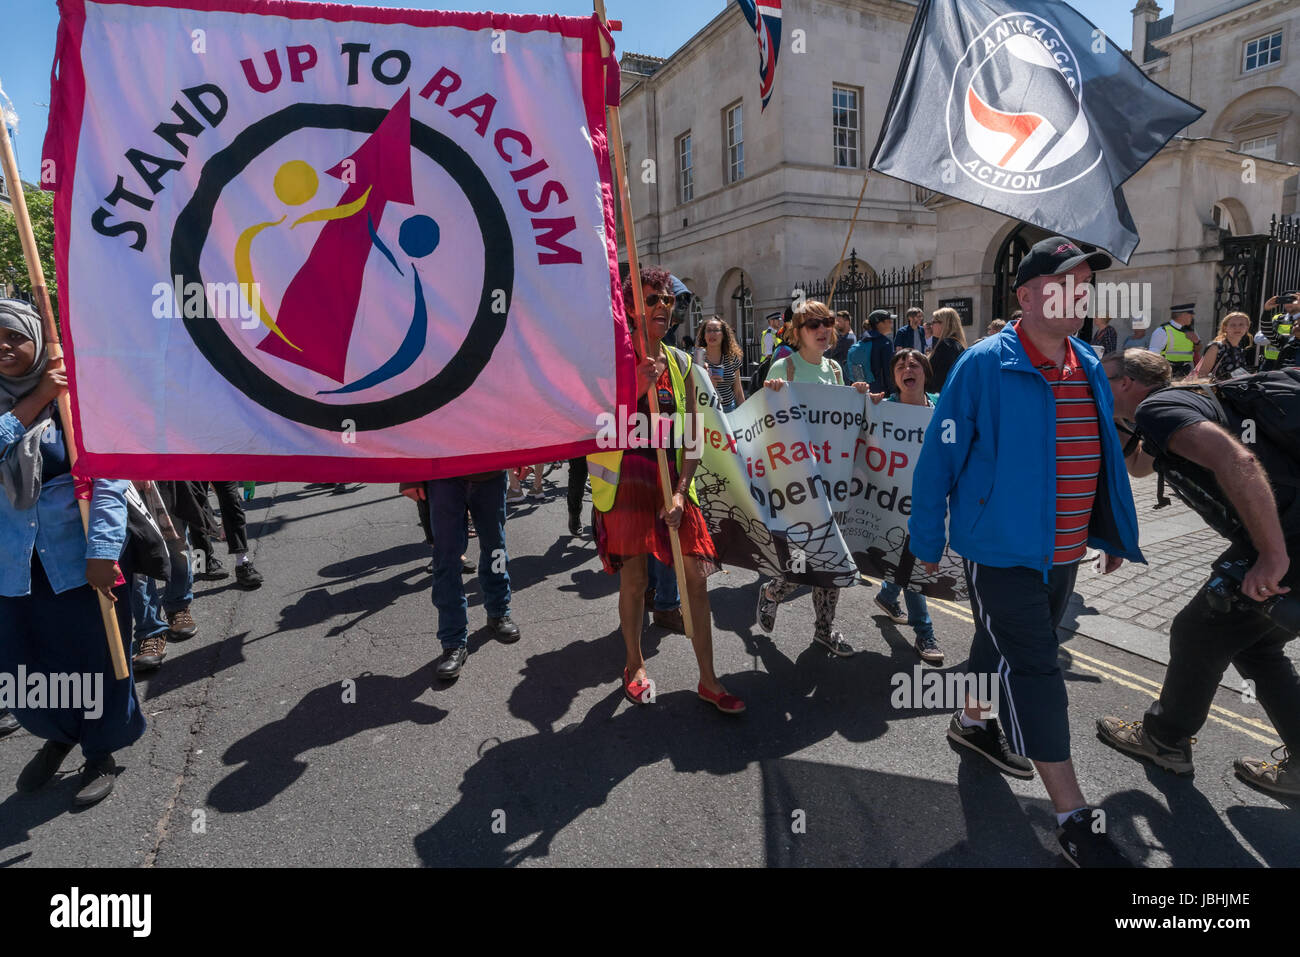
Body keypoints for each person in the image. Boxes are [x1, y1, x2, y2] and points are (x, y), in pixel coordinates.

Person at [909, 237, 1144, 867]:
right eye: (1064, 282)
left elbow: (1097, 457)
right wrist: (927, 544)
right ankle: (1072, 815)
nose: (1079, 294)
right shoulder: (983, 365)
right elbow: (939, 458)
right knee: (1039, 669)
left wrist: (1111, 530)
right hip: (1000, 550)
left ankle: (973, 720)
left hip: (1063, 550)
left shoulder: (1089, 362)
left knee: (996, 641)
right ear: (1026, 295)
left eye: (1086, 285)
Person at [1097, 349, 1299, 799]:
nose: (1093, 382)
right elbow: (1139, 465)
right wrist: (1110, 420)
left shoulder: (1160, 408)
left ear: (1125, 381)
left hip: (1287, 543)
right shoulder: (1169, 411)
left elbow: (1238, 461)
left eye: (1100, 376)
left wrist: (1270, 554)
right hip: (1288, 535)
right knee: (1258, 648)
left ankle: (1164, 739)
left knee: (1198, 630)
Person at [0, 298, 143, 806]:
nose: (4, 345)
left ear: (37, 339)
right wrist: (35, 399)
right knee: (27, 663)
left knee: (96, 655)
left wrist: (104, 549)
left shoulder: (77, 397)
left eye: (14, 334)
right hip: (13, 565)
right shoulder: (40, 395)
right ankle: (60, 733)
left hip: (79, 555)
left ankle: (100, 751)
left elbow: (108, 475)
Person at [587, 265, 744, 713]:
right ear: (631, 306)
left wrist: (679, 491)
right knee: (635, 581)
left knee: (695, 577)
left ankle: (709, 680)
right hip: (627, 483)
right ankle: (634, 665)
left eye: (668, 300)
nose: (662, 306)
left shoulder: (681, 363)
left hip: (671, 484)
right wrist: (634, 386)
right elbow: (593, 432)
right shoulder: (611, 361)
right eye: (652, 299)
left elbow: (692, 437)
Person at [755, 300, 873, 657]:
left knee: (830, 557)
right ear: (797, 332)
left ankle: (825, 629)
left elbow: (845, 422)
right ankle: (774, 590)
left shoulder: (835, 370)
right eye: (813, 325)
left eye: (827, 322)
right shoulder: (784, 368)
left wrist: (864, 399)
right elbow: (764, 423)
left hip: (832, 479)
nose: (822, 330)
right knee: (807, 557)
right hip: (797, 479)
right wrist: (770, 395)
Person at [402, 469, 519, 680]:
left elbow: (512, 432)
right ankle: (453, 642)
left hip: (490, 470)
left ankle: (499, 611)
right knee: (445, 560)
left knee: (496, 550)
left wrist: (522, 455)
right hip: (442, 475)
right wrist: (409, 475)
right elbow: (408, 434)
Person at [870, 349, 942, 664]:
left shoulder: (941, 406)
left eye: (914, 364)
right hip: (893, 499)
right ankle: (924, 632)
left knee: (908, 558)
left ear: (925, 373)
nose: (907, 368)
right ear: (895, 377)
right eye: (900, 365)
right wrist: (861, 399)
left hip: (929, 499)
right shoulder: (884, 409)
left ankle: (887, 595)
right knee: (911, 562)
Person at [190, 480, 262, 588]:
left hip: (222, 464)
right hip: (193, 464)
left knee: (232, 501)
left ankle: (242, 563)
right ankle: (202, 563)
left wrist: (249, 483)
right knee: (196, 508)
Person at [696, 315, 746, 413]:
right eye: (708, 330)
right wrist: (708, 384)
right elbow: (690, 389)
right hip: (706, 410)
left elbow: (738, 392)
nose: (712, 334)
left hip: (729, 410)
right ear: (704, 335)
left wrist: (744, 414)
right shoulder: (697, 358)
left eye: (716, 330)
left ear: (723, 335)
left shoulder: (732, 358)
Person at [1194, 311, 1252, 381]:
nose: (1237, 328)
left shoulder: (1239, 349)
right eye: (1233, 325)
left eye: (1241, 324)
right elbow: (1202, 374)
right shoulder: (1216, 347)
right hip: (1215, 390)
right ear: (1225, 328)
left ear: (1247, 328)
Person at [846, 309, 895, 394]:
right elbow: (889, 371)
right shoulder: (885, 343)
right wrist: (894, 392)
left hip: (863, 390)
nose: (892, 324)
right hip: (880, 392)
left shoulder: (863, 340)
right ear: (880, 324)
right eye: (889, 321)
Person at [1148, 303, 1201, 379]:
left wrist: (1196, 342)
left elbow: (1198, 349)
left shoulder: (1191, 330)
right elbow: (1152, 357)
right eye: (1190, 314)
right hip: (1168, 373)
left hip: (1186, 373)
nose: (1192, 316)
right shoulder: (1162, 331)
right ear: (1182, 315)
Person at [925, 307, 967, 392]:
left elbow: (940, 379)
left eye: (933, 322)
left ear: (944, 324)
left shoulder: (947, 345)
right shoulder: (956, 344)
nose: (931, 325)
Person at [1258, 292, 1299, 371]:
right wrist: (1267, 310)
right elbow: (1269, 333)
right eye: (1295, 324)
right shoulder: (1287, 342)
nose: (1296, 326)